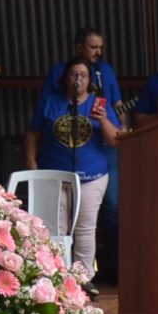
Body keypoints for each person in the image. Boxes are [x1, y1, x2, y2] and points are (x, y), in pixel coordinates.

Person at [30, 58, 118, 273]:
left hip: (92, 175)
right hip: (54, 173)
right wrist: (30, 161)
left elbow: (114, 140)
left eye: (83, 75)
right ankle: (56, 276)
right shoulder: (51, 102)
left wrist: (104, 120)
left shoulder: (98, 104)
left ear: (89, 80)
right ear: (65, 78)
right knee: (55, 228)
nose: (78, 79)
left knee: (85, 229)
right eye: (73, 74)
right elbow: (33, 132)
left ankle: (83, 278)